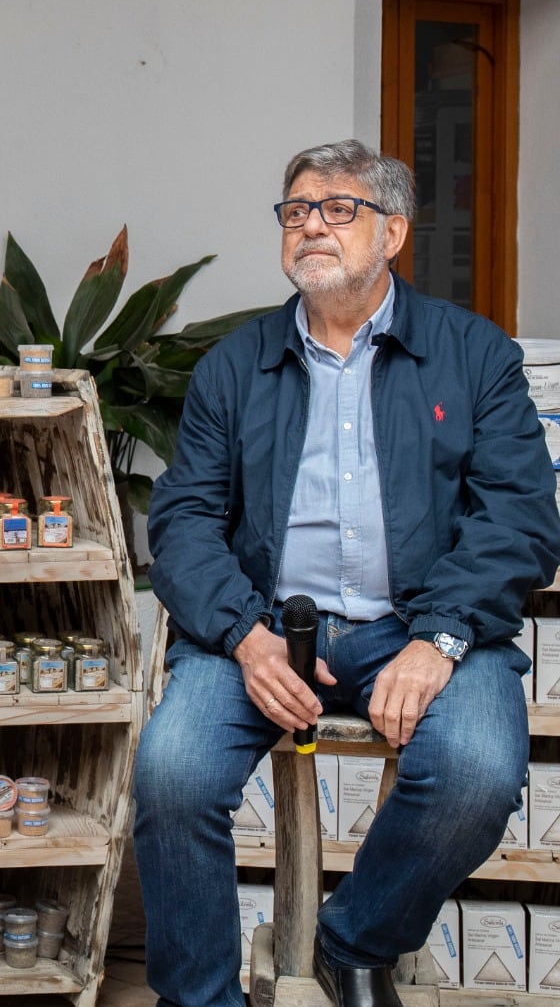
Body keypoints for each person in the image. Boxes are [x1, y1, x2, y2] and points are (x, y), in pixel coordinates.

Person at [133, 140, 560, 1007]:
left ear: (393, 231)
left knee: (478, 773)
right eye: (296, 211)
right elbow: (181, 520)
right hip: (260, 627)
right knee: (172, 774)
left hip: (423, 626)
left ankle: (353, 940)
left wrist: (440, 637)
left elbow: (520, 516)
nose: (311, 227)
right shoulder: (235, 364)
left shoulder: (473, 355)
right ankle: (199, 999)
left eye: (338, 209)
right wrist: (245, 639)